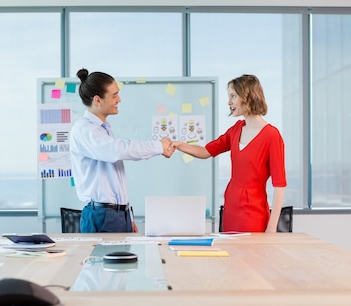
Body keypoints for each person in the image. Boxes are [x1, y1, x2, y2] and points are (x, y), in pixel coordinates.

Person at [172, 74, 287, 233]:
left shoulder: (272, 136)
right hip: (231, 206)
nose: (229, 102)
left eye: (233, 96)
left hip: (253, 211)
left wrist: (272, 227)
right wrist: (178, 145)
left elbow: (279, 185)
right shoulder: (235, 130)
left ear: (247, 96)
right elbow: (206, 151)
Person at [69, 69, 175, 233]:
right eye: (114, 95)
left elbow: (115, 181)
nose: (119, 99)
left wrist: (128, 216)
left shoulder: (104, 129)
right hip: (102, 216)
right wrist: (159, 146)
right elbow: (117, 150)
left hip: (117, 214)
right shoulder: (84, 129)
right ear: (97, 100)